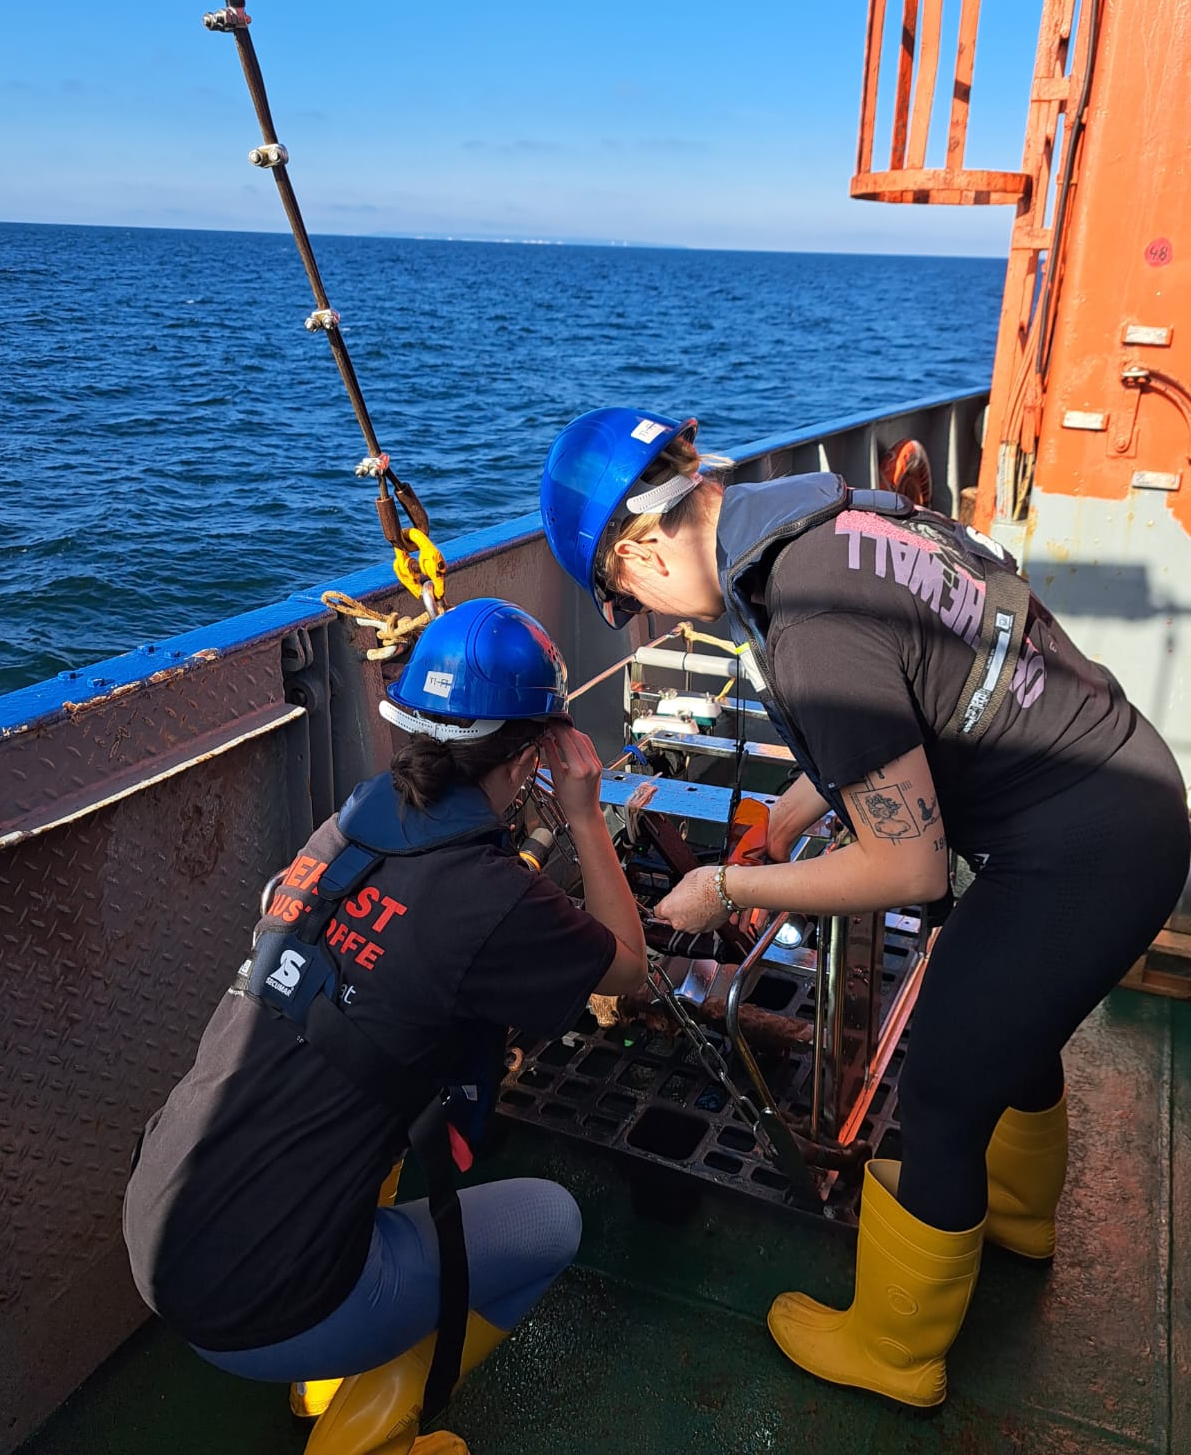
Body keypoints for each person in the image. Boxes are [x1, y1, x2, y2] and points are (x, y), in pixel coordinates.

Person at [540, 407, 1190, 1408]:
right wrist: (787, 821)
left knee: (936, 1088)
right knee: (1007, 1019)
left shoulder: (807, 624)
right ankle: (1019, 1214)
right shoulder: (837, 527)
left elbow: (909, 867)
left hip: (1080, 854)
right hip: (1124, 799)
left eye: (626, 597)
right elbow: (884, 717)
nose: (652, 618)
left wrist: (730, 886)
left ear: (639, 550)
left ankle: (897, 1353)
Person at [123, 597, 647, 1455]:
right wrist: (586, 816)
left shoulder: (351, 822)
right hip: (262, 1309)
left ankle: (320, 1364)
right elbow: (625, 968)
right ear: (526, 764)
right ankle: (365, 1435)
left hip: (160, 1224)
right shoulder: (492, 896)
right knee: (551, 1222)